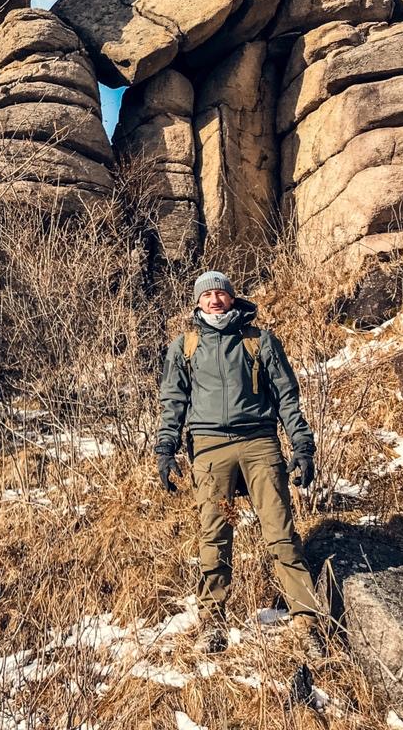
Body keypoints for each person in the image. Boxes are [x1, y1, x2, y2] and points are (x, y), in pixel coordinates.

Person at [155, 270, 325, 657]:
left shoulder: (259, 341)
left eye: (221, 293)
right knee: (213, 538)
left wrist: (302, 446)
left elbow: (287, 398)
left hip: (259, 444)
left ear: (233, 299)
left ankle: (307, 623)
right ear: (197, 302)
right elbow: (173, 404)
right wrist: (165, 449)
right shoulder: (184, 346)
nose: (215, 299)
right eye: (207, 295)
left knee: (281, 534)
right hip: (209, 449)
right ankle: (213, 623)